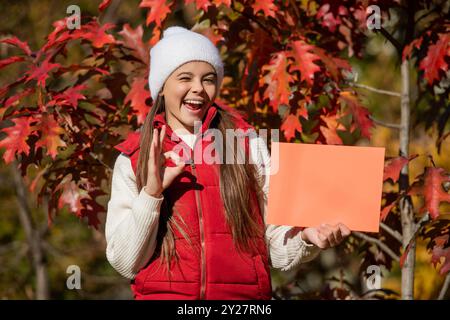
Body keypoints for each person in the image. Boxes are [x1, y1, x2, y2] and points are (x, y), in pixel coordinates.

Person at [105, 26, 351, 300]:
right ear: (162, 87)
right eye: (185, 78)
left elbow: (274, 246)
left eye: (208, 79)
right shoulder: (134, 157)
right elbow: (125, 261)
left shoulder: (246, 144)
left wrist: (306, 237)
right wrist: (151, 194)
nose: (198, 88)